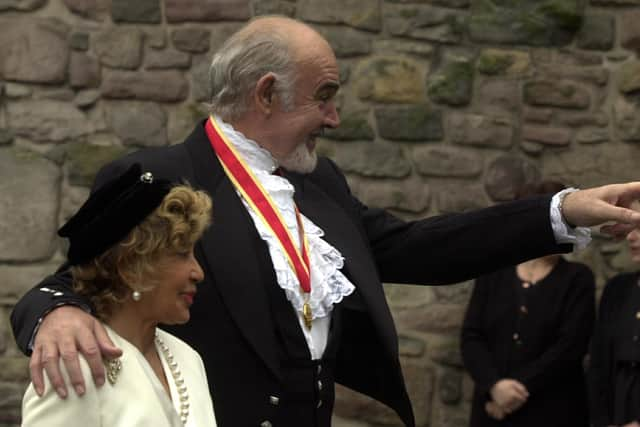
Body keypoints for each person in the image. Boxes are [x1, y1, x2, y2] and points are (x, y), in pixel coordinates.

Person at [10, 15, 640, 427]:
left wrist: (562, 212)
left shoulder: (322, 184)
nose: (334, 117)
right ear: (265, 94)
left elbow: (422, 247)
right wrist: (55, 314)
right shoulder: (157, 174)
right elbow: (78, 279)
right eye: (325, 96)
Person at [20, 163, 216, 427]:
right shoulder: (75, 364)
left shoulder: (188, 358)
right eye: (181, 254)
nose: (198, 272)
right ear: (132, 267)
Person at [461, 181, 596, 427]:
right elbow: (471, 336)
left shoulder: (577, 278)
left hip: (552, 410)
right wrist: (494, 386)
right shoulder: (494, 271)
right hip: (492, 410)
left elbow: (570, 346)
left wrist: (516, 391)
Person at [588, 201, 640, 427]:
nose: (630, 237)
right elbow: (599, 363)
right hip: (616, 410)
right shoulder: (617, 288)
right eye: (630, 228)